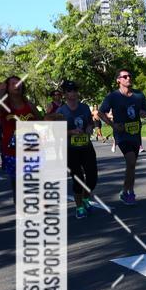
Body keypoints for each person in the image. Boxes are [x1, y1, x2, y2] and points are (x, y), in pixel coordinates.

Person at [98, 68, 146, 204]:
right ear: (118, 80)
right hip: (121, 135)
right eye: (125, 76)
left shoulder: (138, 95)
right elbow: (101, 112)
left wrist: (144, 113)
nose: (128, 78)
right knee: (131, 161)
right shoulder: (113, 96)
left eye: (129, 76)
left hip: (135, 134)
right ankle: (131, 192)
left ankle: (124, 191)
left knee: (131, 165)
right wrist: (112, 125)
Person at [57, 81, 97, 218]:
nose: (72, 93)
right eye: (69, 91)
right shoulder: (61, 111)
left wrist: (89, 128)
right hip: (70, 150)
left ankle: (85, 198)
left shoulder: (85, 108)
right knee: (77, 179)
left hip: (86, 147)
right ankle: (79, 207)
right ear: (64, 94)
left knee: (92, 177)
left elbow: (91, 124)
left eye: (74, 90)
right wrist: (70, 132)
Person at [0, 76, 42, 202]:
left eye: (19, 83)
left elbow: (41, 121)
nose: (17, 85)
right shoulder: (4, 106)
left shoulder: (29, 105)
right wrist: (1, 91)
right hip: (11, 151)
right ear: (7, 87)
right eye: (13, 83)